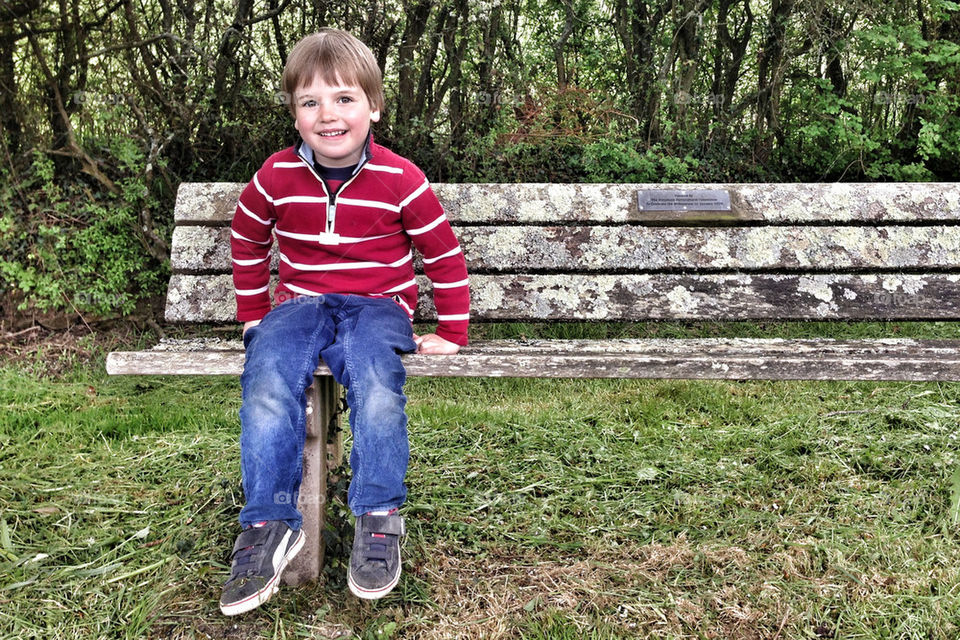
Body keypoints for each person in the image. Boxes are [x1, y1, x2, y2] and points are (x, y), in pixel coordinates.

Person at [219, 28, 470, 616]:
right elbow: (248, 238)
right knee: (266, 382)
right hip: (300, 306)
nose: (327, 114)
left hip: (377, 307)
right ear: (295, 114)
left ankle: (379, 515)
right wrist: (255, 316)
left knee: (377, 384)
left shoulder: (401, 179)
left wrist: (452, 331)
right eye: (310, 102)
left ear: (373, 106)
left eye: (344, 99)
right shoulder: (275, 175)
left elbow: (442, 253)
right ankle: (268, 523)